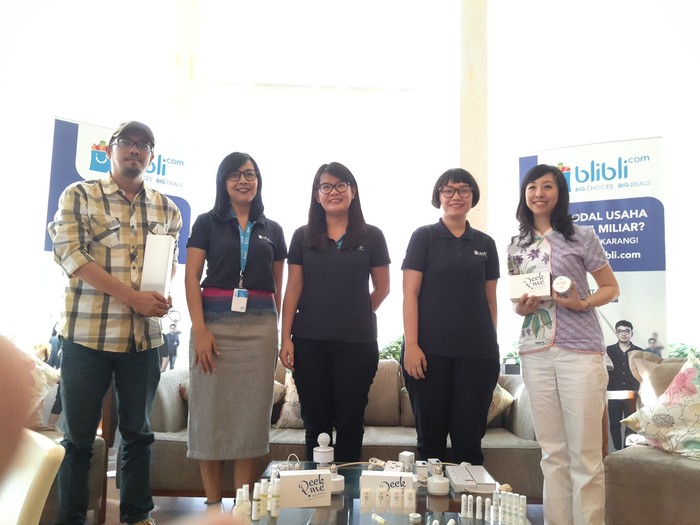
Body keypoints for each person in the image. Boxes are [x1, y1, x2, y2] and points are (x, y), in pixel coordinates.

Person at [48, 121, 182, 525]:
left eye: (143, 145)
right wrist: (133, 297)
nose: (135, 150)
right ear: (110, 150)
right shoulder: (80, 195)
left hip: (142, 341)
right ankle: (71, 518)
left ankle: (137, 515)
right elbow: (72, 257)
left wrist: (159, 295)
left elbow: (169, 262)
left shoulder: (167, 208)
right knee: (78, 439)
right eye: (127, 143)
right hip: (87, 337)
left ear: (151, 157)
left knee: (139, 435)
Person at [507, 164, 619, 525]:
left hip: (580, 350)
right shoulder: (517, 245)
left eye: (547, 186)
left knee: (585, 454)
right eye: (532, 187)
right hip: (535, 350)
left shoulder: (582, 236)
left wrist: (582, 302)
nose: (538, 193)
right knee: (552, 453)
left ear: (560, 193)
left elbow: (610, 287)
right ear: (524, 195)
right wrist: (522, 307)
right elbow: (518, 301)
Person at [185, 152, 286, 512]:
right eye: (235, 175)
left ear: (258, 180)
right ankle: (213, 507)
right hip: (213, 328)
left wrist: (275, 330)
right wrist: (199, 329)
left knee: (250, 419)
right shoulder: (206, 223)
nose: (243, 181)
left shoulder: (273, 229)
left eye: (250, 174)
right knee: (209, 414)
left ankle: (243, 509)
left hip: (259, 331)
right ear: (223, 182)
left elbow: (277, 285)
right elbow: (191, 278)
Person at [280, 162, 390, 462]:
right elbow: (293, 289)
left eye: (341, 185)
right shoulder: (303, 236)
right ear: (317, 196)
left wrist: (354, 312)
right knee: (316, 424)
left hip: (357, 344)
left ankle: (348, 490)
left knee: (350, 423)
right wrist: (285, 338)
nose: (334, 192)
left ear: (353, 191)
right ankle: (316, 488)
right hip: (309, 343)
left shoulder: (372, 236)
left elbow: (382, 288)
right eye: (326, 186)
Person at [401, 168, 500, 465]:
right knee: (429, 443)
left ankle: (467, 496)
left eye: (464, 190)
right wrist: (412, 345)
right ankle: (428, 498)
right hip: (428, 355)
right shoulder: (424, 237)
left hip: (477, 355)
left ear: (473, 196)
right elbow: (410, 294)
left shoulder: (485, 243)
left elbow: (490, 300)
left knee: (468, 443)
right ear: (439, 196)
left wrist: (491, 343)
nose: (456, 196)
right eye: (449, 190)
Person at [606, 320, 643, 450]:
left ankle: (627, 451)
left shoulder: (639, 352)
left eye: (627, 331)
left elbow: (643, 372)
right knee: (614, 425)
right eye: (620, 331)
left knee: (631, 425)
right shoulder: (608, 351)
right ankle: (618, 451)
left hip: (632, 394)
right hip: (613, 393)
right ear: (616, 333)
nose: (623, 334)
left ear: (631, 333)